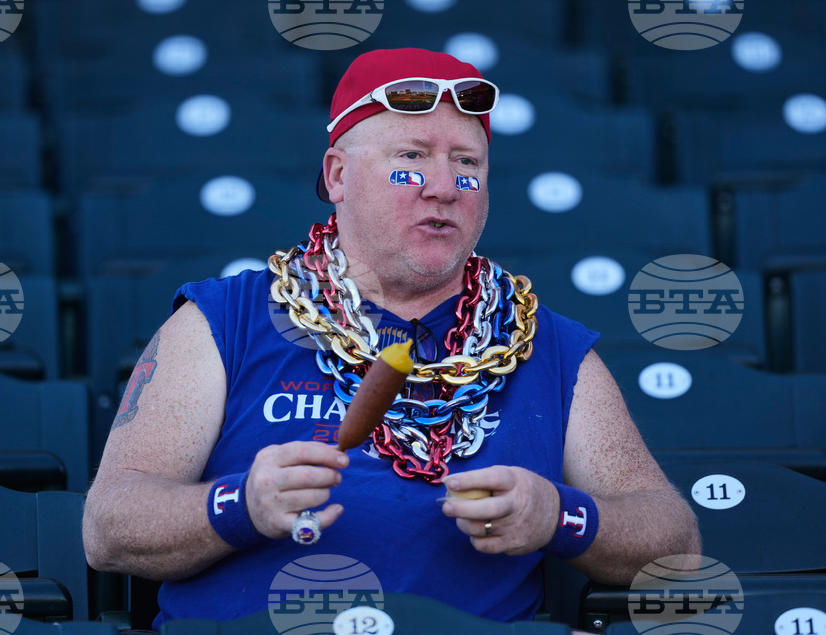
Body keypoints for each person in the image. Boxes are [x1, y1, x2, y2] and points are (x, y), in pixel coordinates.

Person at [82, 48, 701, 630]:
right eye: (411, 159)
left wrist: (560, 516)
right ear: (338, 174)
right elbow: (108, 527)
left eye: (466, 164)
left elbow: (674, 542)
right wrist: (238, 506)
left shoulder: (552, 347)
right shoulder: (224, 320)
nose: (441, 186)